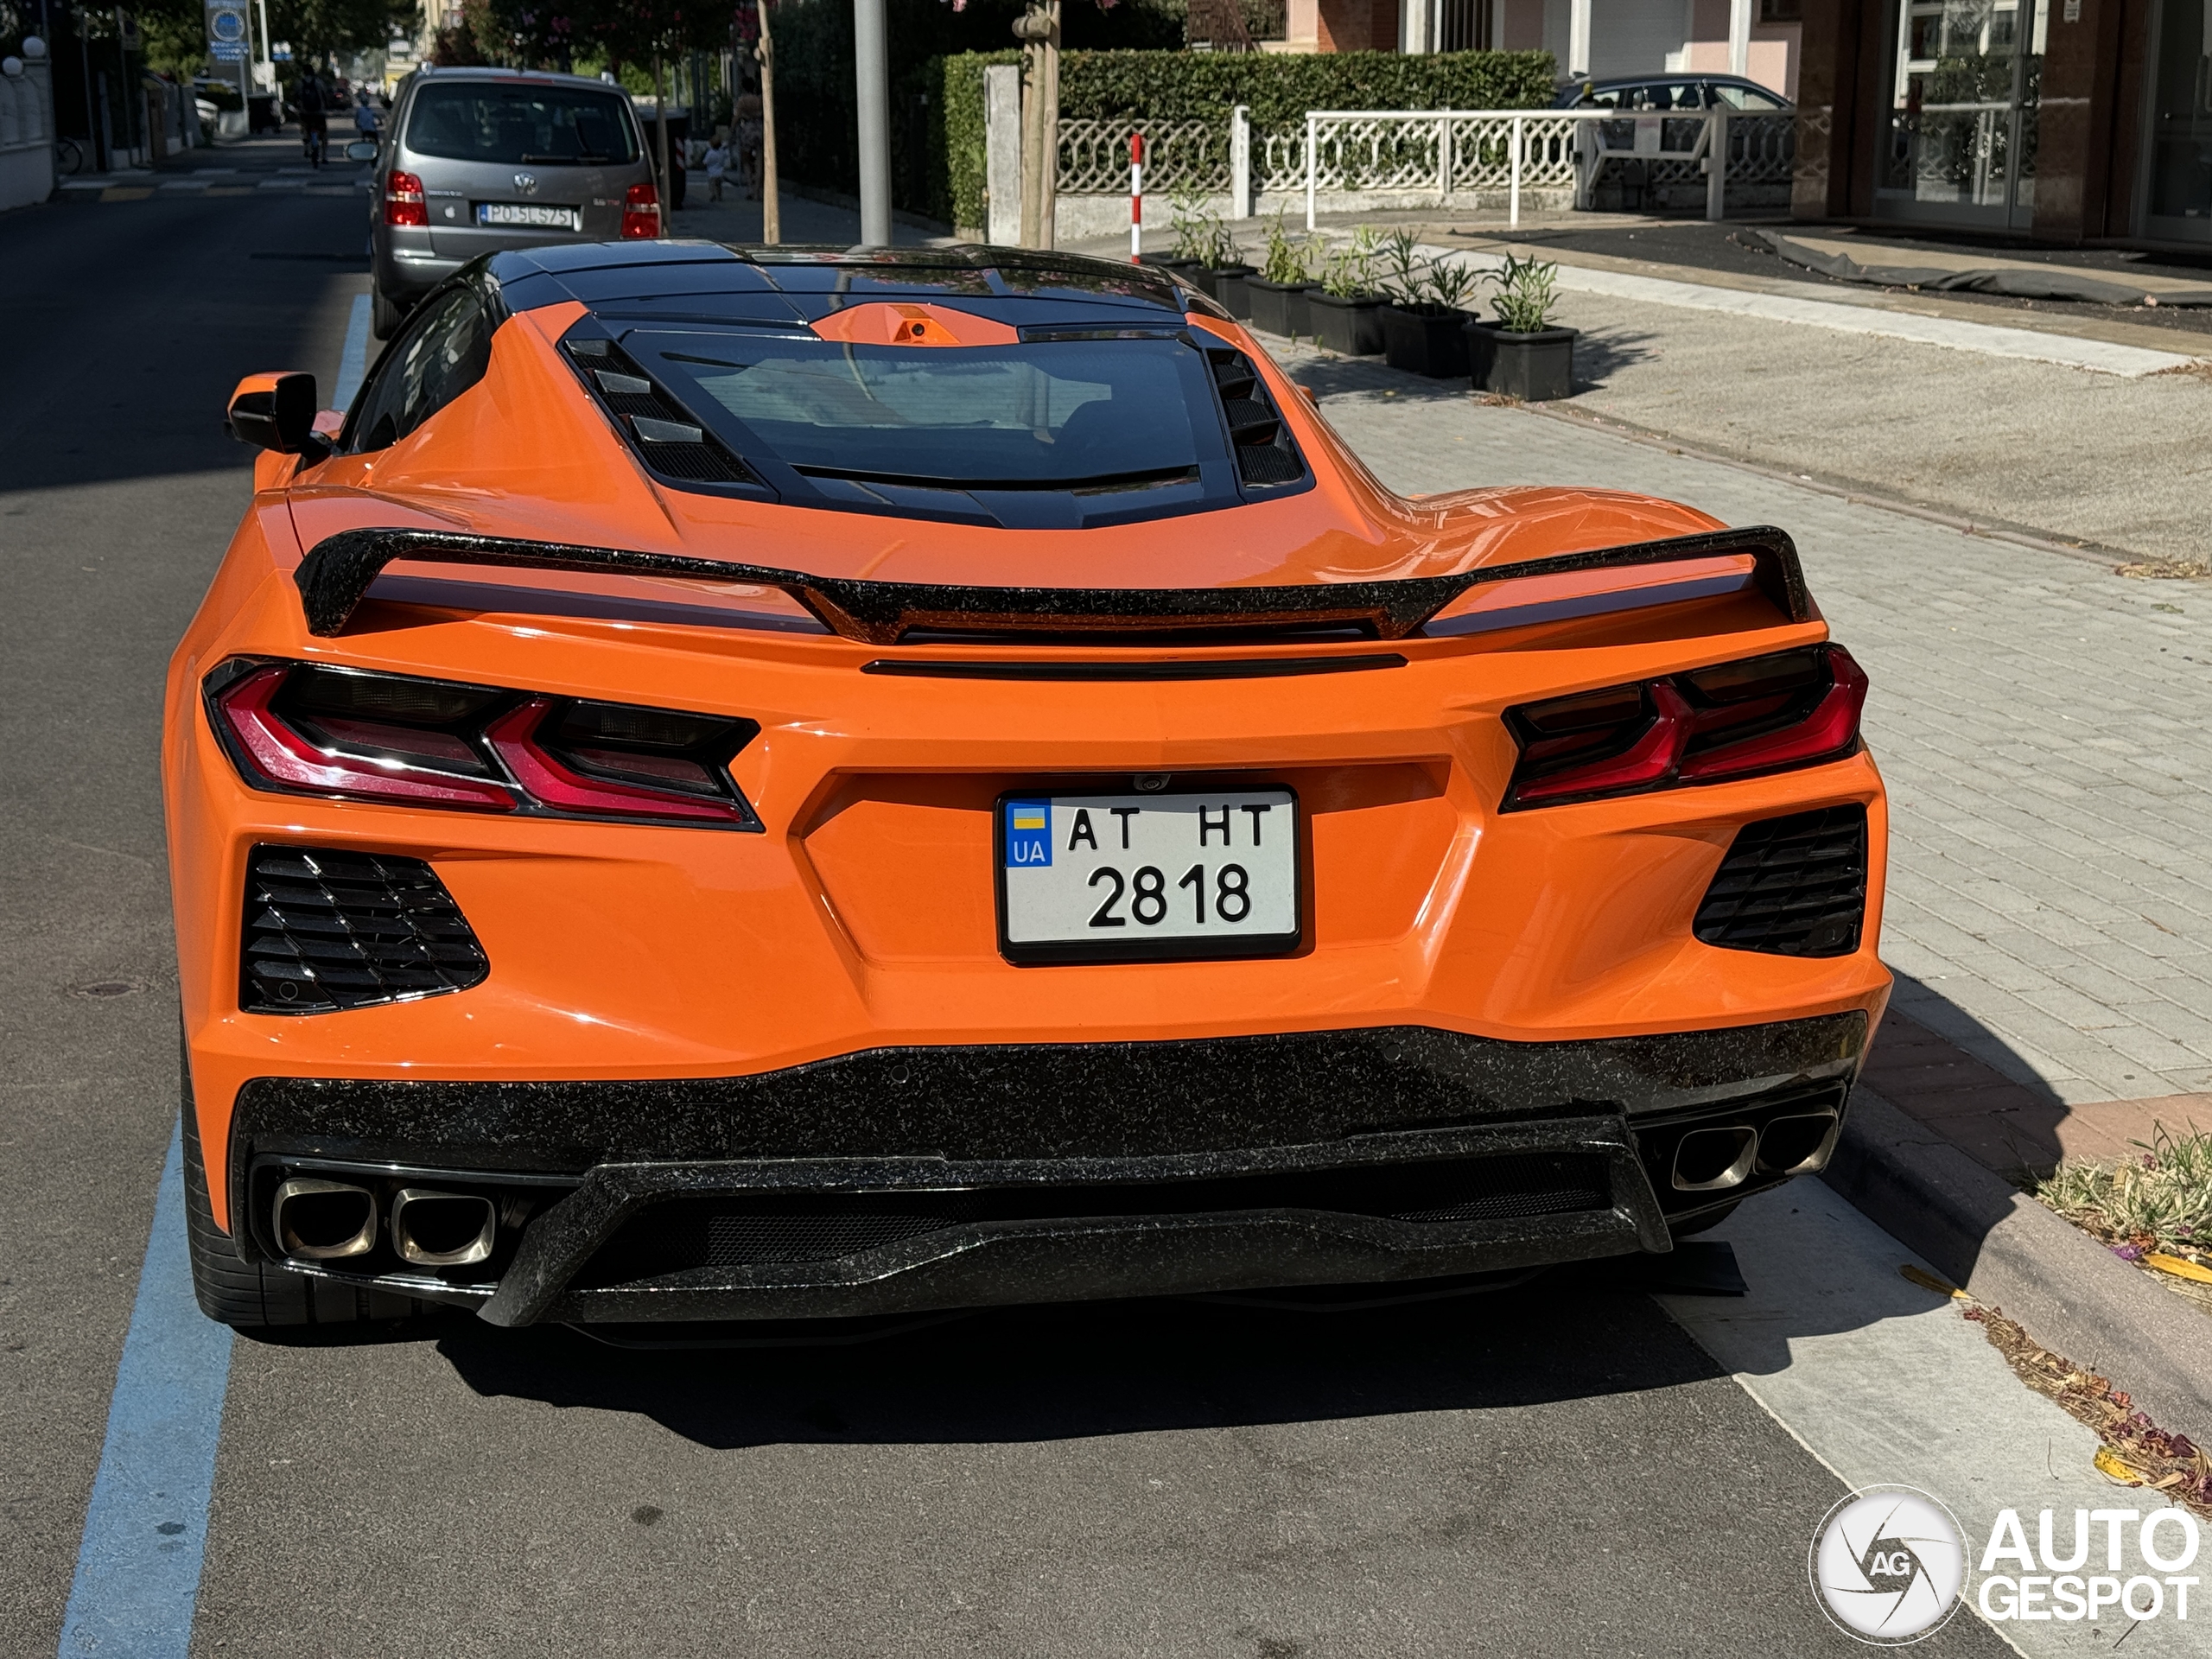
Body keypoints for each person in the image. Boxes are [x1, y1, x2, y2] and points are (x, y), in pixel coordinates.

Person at [735, 92, 763, 201]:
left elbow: (737, 115)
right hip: (759, 129)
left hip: (748, 130)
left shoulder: (742, 100)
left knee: (746, 160)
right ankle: (757, 192)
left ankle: (750, 189)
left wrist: (732, 129)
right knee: (759, 162)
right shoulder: (759, 100)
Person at [296, 72, 327, 168]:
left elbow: (296, 98)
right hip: (319, 113)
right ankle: (324, 156)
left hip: (305, 113)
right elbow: (325, 96)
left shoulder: (300, 83)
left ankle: (306, 148)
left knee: (305, 129)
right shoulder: (319, 82)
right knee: (324, 134)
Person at [702, 130, 729, 203]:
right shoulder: (722, 152)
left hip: (711, 173)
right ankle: (719, 196)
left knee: (712, 185)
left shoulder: (710, 153)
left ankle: (713, 194)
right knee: (719, 185)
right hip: (720, 172)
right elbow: (726, 156)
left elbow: (705, 162)